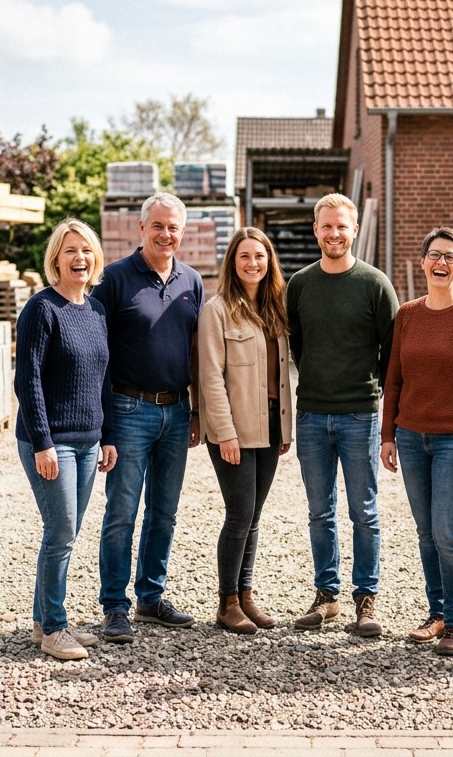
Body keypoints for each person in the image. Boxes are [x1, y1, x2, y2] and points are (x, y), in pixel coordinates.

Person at [379, 227, 453, 656]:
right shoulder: (407, 315)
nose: (441, 263)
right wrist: (388, 435)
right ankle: (437, 613)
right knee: (426, 532)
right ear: (423, 262)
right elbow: (393, 378)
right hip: (411, 438)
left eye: (450, 256)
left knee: (447, 530)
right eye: (434, 255)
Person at [91, 192, 204, 643]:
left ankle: (151, 597)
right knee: (122, 511)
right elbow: (96, 354)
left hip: (176, 410)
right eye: (157, 225)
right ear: (142, 228)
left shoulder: (191, 281)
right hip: (128, 409)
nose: (165, 234)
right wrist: (104, 425)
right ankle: (114, 606)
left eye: (173, 227)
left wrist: (195, 410)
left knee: (164, 512)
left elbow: (196, 351)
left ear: (183, 231)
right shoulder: (115, 279)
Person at [286, 193, 399, 637]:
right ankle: (327, 595)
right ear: (316, 230)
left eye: (342, 226)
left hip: (359, 415)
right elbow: (297, 345)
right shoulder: (300, 284)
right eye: (327, 226)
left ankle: (365, 600)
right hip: (312, 414)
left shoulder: (374, 284)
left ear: (355, 230)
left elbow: (392, 353)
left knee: (364, 512)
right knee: (320, 512)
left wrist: (376, 399)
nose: (334, 234)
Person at [14, 218, 118, 661]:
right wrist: (43, 442)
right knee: (60, 533)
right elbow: (27, 381)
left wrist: (107, 436)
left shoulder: (95, 311)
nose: (80, 258)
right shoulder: (41, 309)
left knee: (66, 531)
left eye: (86, 250)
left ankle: (43, 621)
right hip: (50, 441)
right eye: (70, 250)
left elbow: (103, 378)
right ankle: (55, 629)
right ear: (55, 259)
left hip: (89, 442)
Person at [197, 228, 293, 634]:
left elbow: (282, 374)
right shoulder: (216, 311)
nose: (253, 263)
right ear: (232, 264)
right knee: (238, 514)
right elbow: (210, 377)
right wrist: (225, 433)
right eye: (244, 257)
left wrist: (285, 427)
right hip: (234, 428)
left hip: (270, 423)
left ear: (269, 262)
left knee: (254, 516)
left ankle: (246, 594)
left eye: (260, 256)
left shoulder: (276, 309)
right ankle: (227, 603)